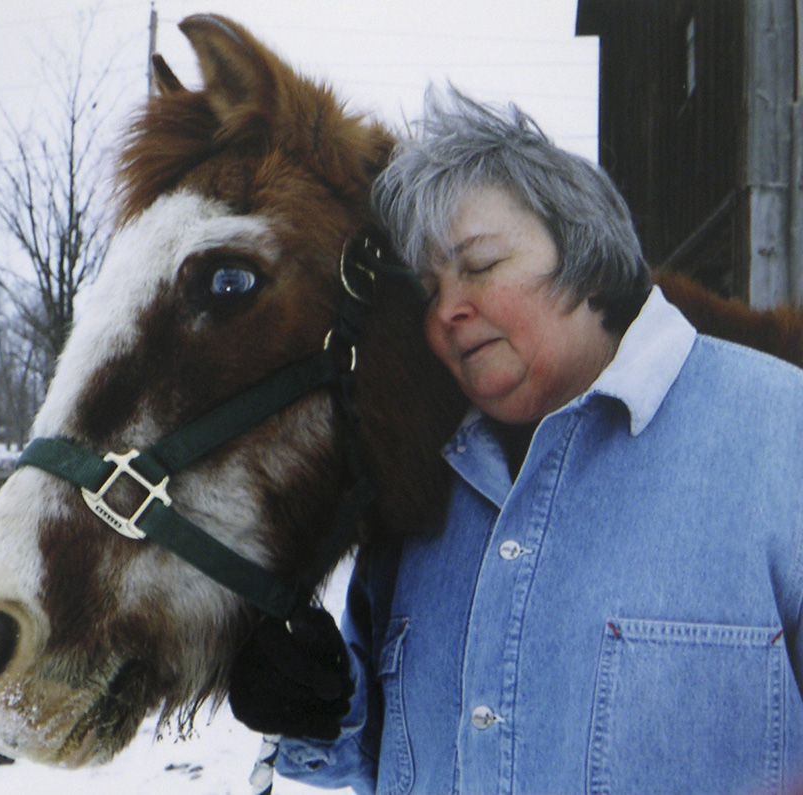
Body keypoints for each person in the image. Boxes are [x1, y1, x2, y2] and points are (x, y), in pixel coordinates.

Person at [227, 86, 803, 794]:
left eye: (479, 264)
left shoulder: (783, 436)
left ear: (585, 247)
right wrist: (312, 701)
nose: (447, 310)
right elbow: (378, 748)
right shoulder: (425, 486)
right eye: (429, 288)